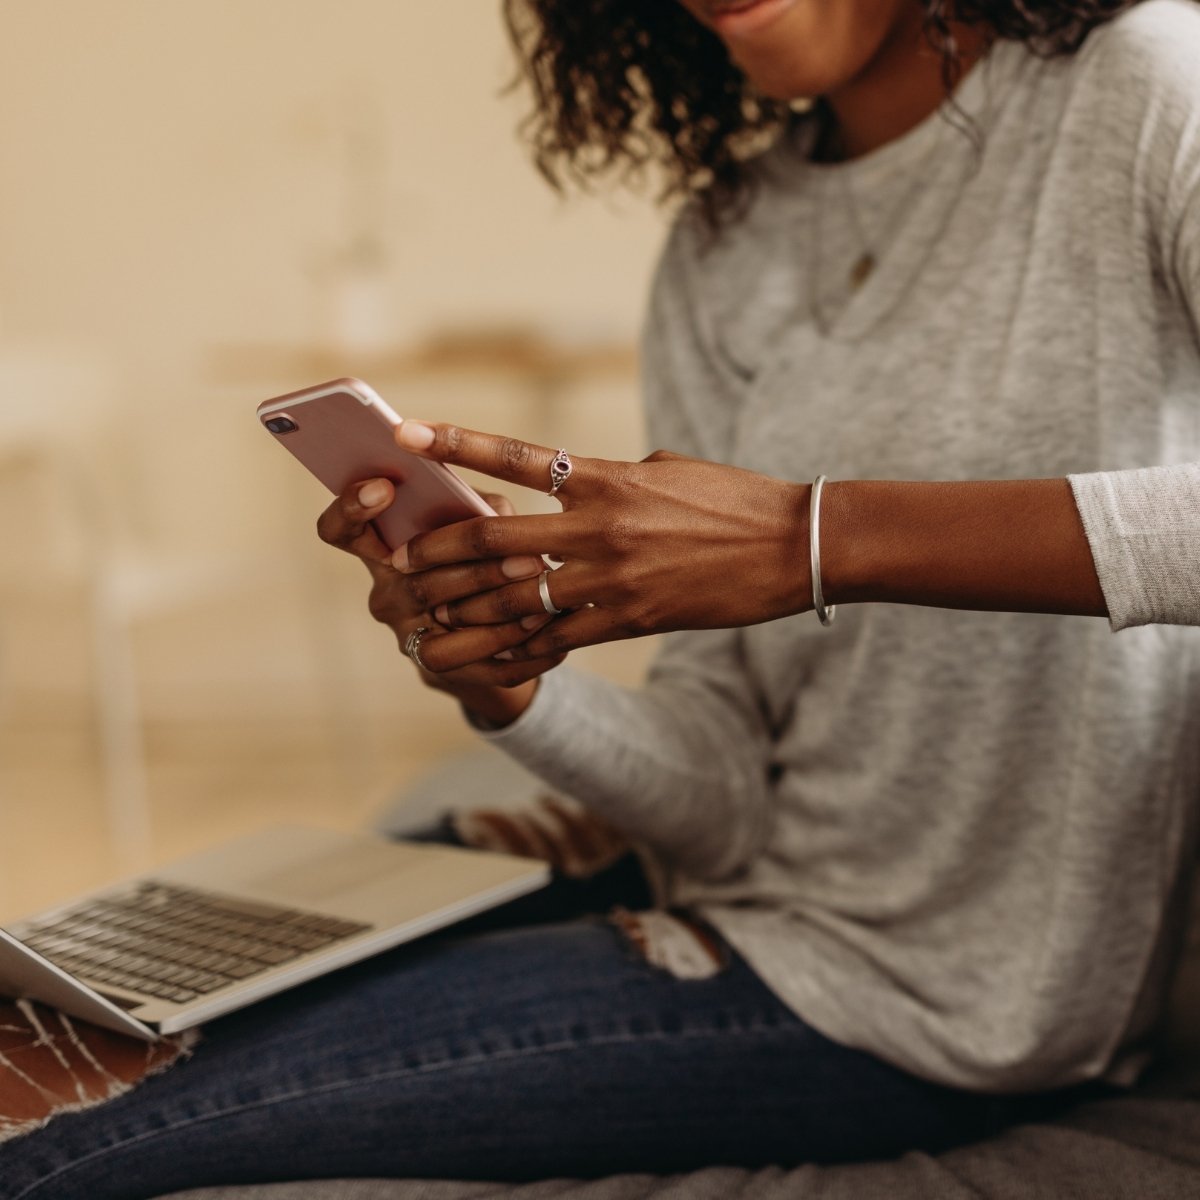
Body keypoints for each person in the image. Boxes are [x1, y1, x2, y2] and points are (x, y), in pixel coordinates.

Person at [3, 0, 1199, 1195]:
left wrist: (812, 535)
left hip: (929, 998)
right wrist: (519, 691)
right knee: (60, 1011)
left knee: (59, 1142)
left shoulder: (1145, 89)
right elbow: (719, 793)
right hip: (719, 883)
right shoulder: (724, 242)